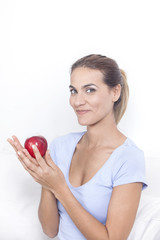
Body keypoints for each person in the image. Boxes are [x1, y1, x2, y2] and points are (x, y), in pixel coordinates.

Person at [7, 54, 148, 240]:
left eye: (89, 90)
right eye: (73, 91)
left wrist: (60, 188)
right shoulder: (60, 146)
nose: (77, 101)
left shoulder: (128, 158)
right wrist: (46, 181)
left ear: (115, 92)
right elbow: (50, 230)